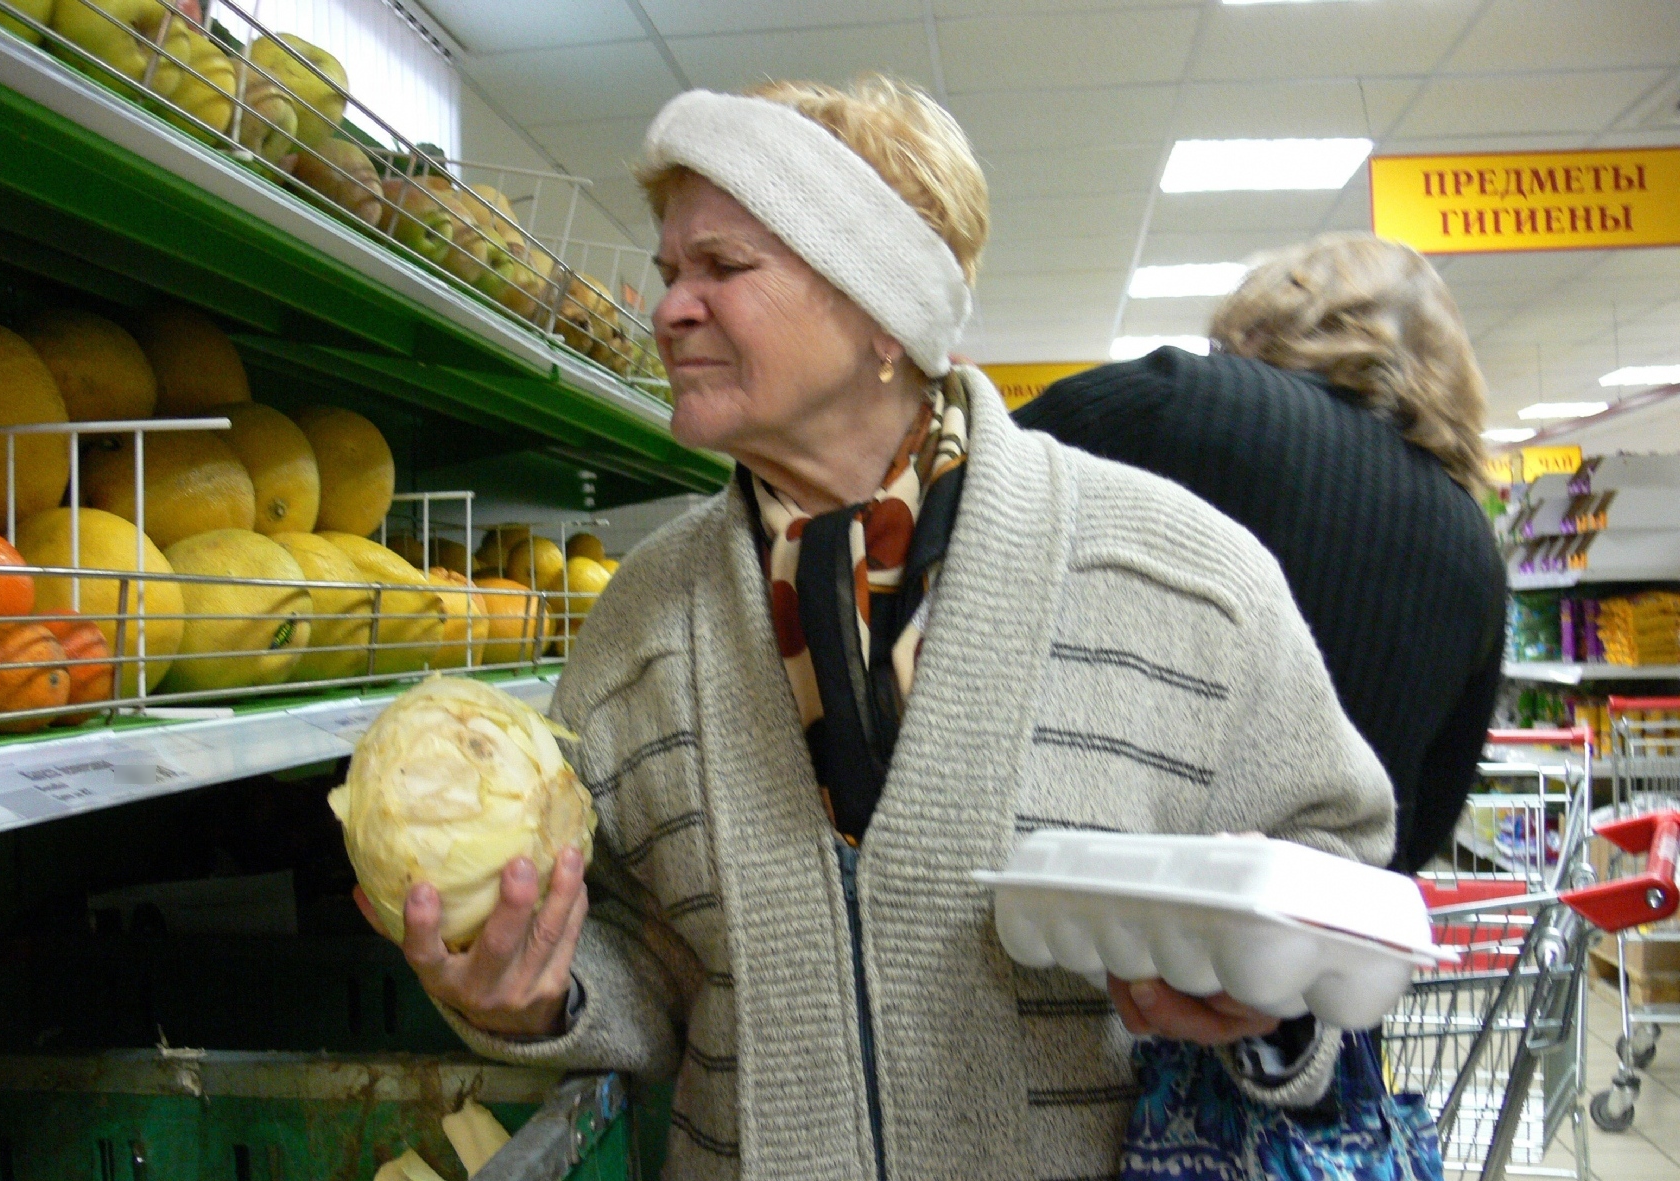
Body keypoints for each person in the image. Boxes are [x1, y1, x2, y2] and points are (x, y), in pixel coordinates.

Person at [358, 78, 1394, 1180]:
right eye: (670, 272)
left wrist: (1269, 1003)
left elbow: (1337, 860)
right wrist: (537, 993)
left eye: (723, 266)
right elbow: (643, 959)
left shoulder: (1178, 576)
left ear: (881, 312)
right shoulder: (639, 627)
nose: (668, 308)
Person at [1015, 235, 1503, 874]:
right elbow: (1429, 814)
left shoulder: (1179, 402)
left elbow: (977, 473)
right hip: (1310, 938)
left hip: (1094, 896)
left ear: (1275, 312)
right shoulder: (1475, 552)